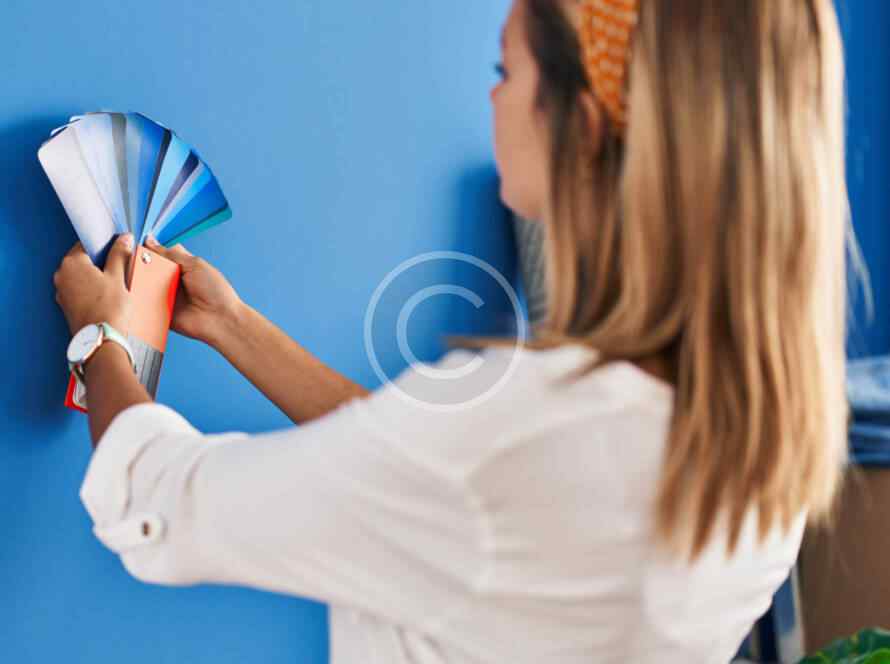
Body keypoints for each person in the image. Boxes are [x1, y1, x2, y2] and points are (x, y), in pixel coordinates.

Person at [52, 0, 854, 661]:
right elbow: (428, 478)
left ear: (578, 124)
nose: (492, 98)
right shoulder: (757, 436)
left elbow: (162, 503)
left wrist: (101, 341)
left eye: (506, 72)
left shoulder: (523, 427)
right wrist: (234, 325)